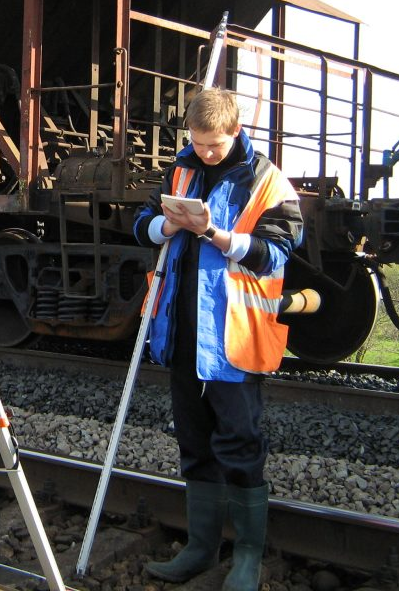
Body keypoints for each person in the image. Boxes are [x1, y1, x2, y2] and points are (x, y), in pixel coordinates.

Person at [134, 87, 303, 590]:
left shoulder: (268, 181)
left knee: (242, 442)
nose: (205, 152)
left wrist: (217, 235)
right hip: (182, 334)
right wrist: (166, 223)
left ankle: (248, 556)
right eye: (197, 142)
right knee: (194, 441)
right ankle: (201, 548)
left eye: (214, 144)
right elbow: (141, 225)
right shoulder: (180, 170)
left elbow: (277, 253)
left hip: (233, 339)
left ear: (235, 131)